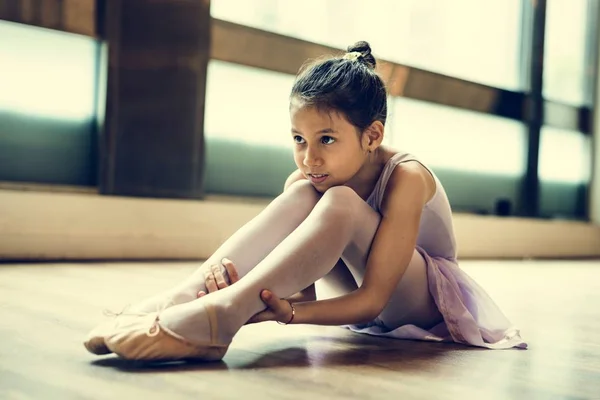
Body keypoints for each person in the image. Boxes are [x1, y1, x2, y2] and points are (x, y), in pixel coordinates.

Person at [84, 41, 527, 361]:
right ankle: (186, 296)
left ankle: (221, 317)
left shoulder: (406, 177)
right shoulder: (312, 177)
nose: (309, 156)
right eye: (299, 139)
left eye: (327, 139)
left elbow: (373, 299)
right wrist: (254, 284)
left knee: (338, 203)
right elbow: (307, 274)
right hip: (357, 294)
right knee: (302, 190)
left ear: (372, 135)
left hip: (423, 302)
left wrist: (290, 313)